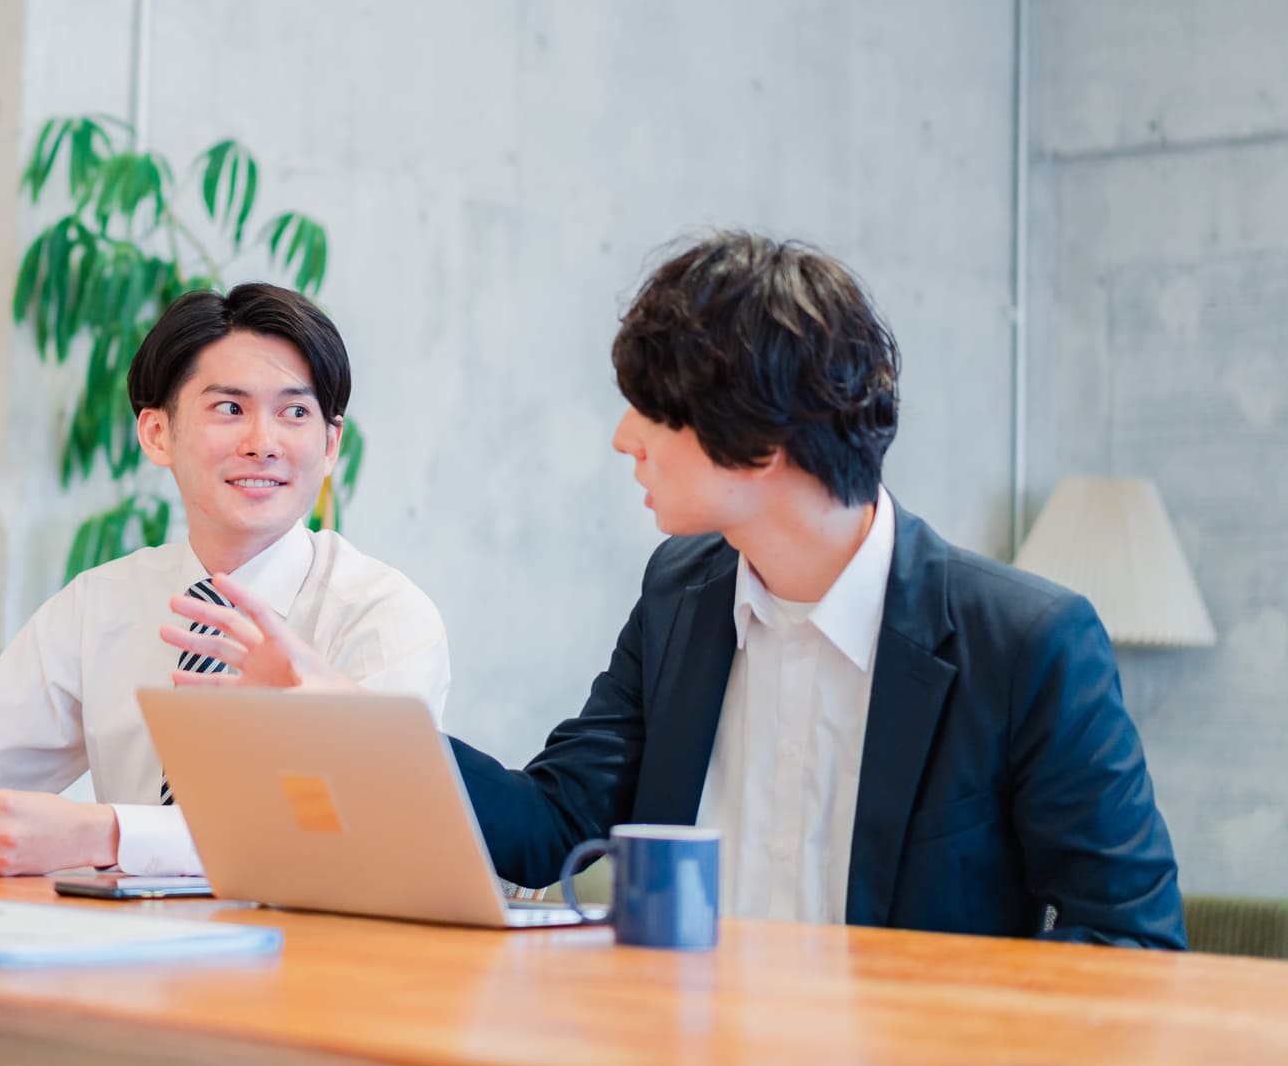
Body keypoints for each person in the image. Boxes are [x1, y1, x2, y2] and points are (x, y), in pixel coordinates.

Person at [168, 232, 1185, 948]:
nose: (624, 438)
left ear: (765, 438)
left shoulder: (1026, 641)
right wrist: (335, 705)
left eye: (651, 411)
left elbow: (1128, 944)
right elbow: (553, 819)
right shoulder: (683, 594)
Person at [0, 283, 449, 877]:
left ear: (329, 444)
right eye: (229, 409)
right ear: (156, 433)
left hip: (322, 969)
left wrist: (100, 833)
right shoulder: (101, 604)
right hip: (122, 963)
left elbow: (355, 833)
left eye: (294, 413)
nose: (263, 442)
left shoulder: (381, 615)